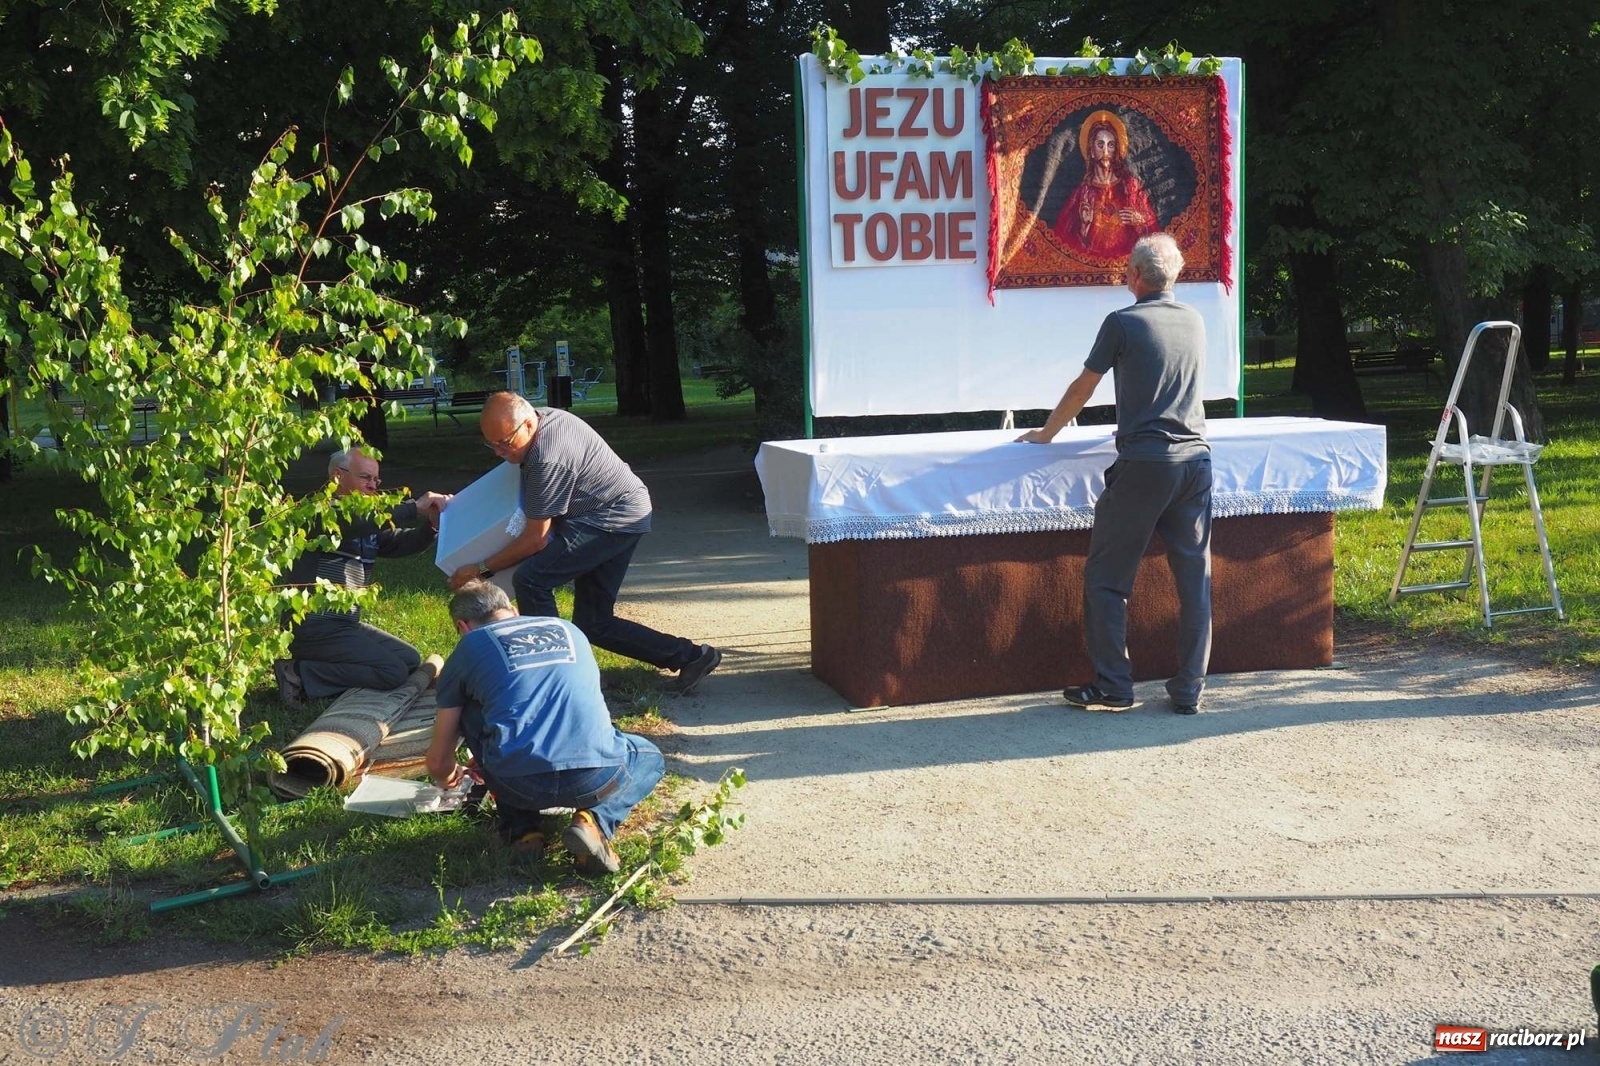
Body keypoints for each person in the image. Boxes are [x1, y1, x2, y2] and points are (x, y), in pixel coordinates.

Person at [1017, 233, 1211, 715]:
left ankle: (1113, 685)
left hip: (1145, 465)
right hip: (1196, 462)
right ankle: (1189, 689)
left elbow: (1084, 388)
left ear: (1137, 277)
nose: (1124, 274)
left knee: (1106, 579)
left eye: (1127, 268)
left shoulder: (1122, 322)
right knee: (1194, 582)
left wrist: (1046, 432)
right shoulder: (1195, 320)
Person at [447, 392, 721, 692]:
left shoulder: (546, 458)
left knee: (531, 580)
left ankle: (555, 676)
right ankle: (693, 657)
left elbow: (535, 540)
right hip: (619, 509)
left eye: (505, 442)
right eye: (491, 443)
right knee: (594, 622)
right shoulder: (542, 419)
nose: (499, 452)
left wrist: (480, 570)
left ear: (527, 424)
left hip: (612, 518)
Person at [425, 580, 666, 875]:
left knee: (468, 706)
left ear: (463, 627)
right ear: (512, 610)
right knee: (650, 755)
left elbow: (437, 762)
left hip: (517, 783)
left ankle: (522, 832)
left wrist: (453, 776)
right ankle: (593, 822)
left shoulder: (470, 646)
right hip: (597, 777)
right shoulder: (568, 628)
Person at [275, 446, 451, 706]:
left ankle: (316, 670)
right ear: (338, 476)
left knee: (409, 660)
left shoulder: (368, 522)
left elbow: (397, 543)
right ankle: (298, 673)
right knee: (392, 672)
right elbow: (355, 522)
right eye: (365, 478)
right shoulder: (318, 512)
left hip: (345, 625)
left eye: (376, 480)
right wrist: (414, 507)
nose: (373, 486)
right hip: (314, 627)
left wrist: (432, 525)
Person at [1051, 110, 1156, 259]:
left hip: (1127, 264)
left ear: (1116, 150)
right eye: (1100, 145)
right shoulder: (1081, 194)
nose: (1105, 151)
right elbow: (1063, 244)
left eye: (1111, 145)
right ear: (1092, 151)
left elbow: (1154, 232)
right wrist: (1084, 226)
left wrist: (1139, 220)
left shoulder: (1130, 186)